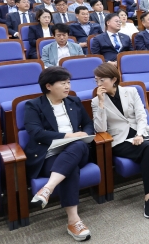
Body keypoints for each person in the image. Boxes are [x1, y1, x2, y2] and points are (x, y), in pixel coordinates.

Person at [92, 63, 149, 219]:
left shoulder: (131, 91)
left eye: (102, 80)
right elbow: (100, 129)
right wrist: (101, 103)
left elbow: (141, 116)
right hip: (120, 140)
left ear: (114, 79)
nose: (98, 85)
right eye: (96, 81)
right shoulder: (96, 101)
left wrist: (140, 134)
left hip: (141, 132)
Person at [24, 67, 94, 241]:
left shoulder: (74, 101)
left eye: (68, 82)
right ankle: (73, 221)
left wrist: (84, 134)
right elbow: (36, 132)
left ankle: (47, 189)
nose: (67, 86)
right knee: (69, 169)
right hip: (50, 154)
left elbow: (88, 124)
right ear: (48, 86)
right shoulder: (34, 105)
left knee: (77, 146)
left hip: (79, 149)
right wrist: (68, 135)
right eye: (63, 83)